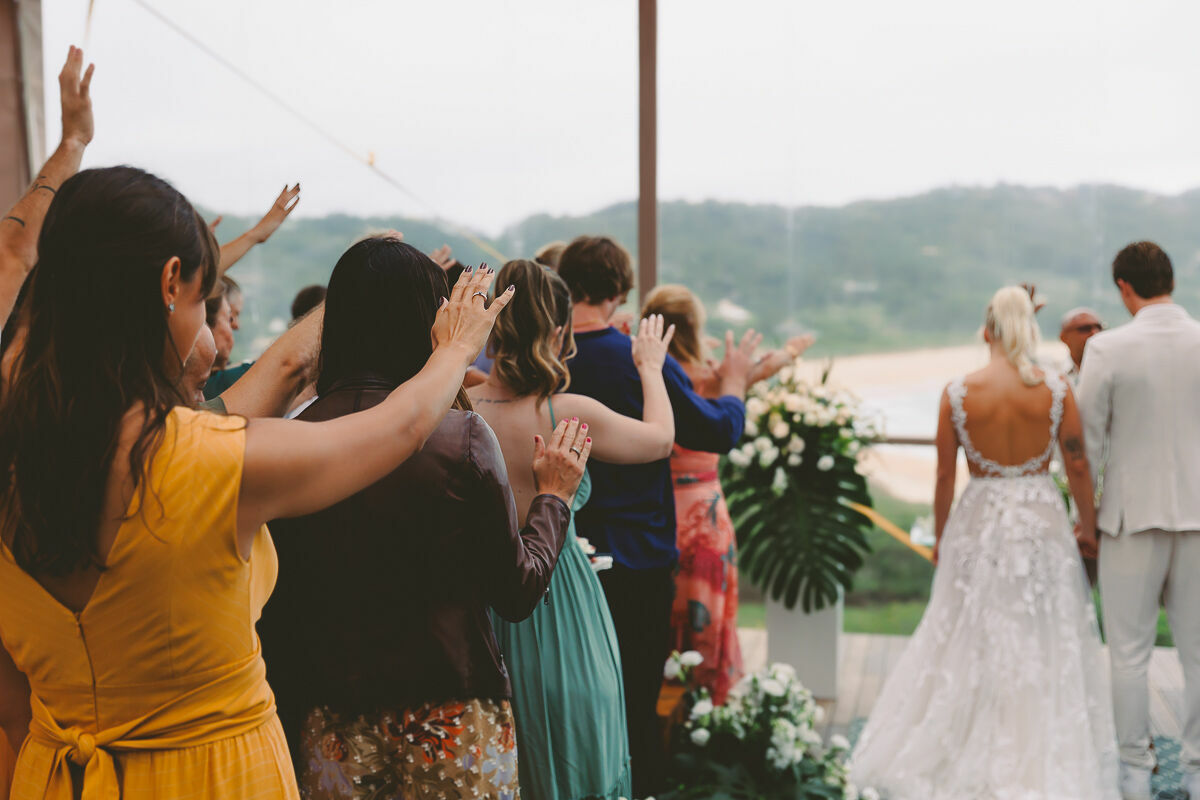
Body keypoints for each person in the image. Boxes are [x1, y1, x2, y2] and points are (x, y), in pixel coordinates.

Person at [0, 166, 512, 800]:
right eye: (198, 300)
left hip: (56, 779)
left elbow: (14, 703)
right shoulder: (204, 460)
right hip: (209, 776)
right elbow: (398, 428)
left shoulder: (18, 456)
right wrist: (455, 350)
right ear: (168, 283)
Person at [259, 239, 585, 800]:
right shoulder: (460, 436)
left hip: (332, 716)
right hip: (452, 715)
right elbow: (517, 589)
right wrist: (553, 499)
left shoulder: (291, 439)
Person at [850, 286, 1117, 799]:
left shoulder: (957, 391)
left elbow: (945, 479)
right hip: (1040, 518)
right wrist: (1088, 527)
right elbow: (1078, 462)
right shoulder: (1057, 388)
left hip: (980, 520)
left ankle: (964, 739)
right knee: (1042, 631)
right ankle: (1032, 742)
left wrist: (943, 538)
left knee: (970, 631)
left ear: (987, 329)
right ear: (1029, 330)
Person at [469, 260, 676, 800]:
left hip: (479, 609)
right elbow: (659, 440)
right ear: (559, 330)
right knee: (578, 754)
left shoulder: (456, 408)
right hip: (565, 608)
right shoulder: (568, 413)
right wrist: (650, 366)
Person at [557, 235, 756, 794]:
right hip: (637, 560)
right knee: (637, 702)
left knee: (573, 707)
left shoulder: (544, 358)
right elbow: (715, 429)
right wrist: (736, 383)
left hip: (559, 558)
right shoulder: (635, 358)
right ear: (621, 292)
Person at [641, 284, 813, 704]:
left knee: (661, 617)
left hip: (660, 512)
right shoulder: (711, 376)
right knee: (708, 615)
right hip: (704, 515)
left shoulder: (651, 375)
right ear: (695, 326)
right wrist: (790, 352)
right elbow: (758, 370)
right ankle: (705, 705)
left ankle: (665, 710)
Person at [1077, 242, 1200, 800]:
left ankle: (1133, 774)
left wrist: (1088, 514)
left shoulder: (1107, 348)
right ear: (1169, 280)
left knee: (1128, 653)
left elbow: (1087, 441)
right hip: (1199, 514)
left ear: (1125, 288)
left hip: (1129, 518)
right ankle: (1197, 773)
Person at [1059, 306, 1103, 384]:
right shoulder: (1054, 373)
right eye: (1085, 328)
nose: (1095, 333)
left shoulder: (1113, 370)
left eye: (1099, 328)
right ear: (1064, 337)